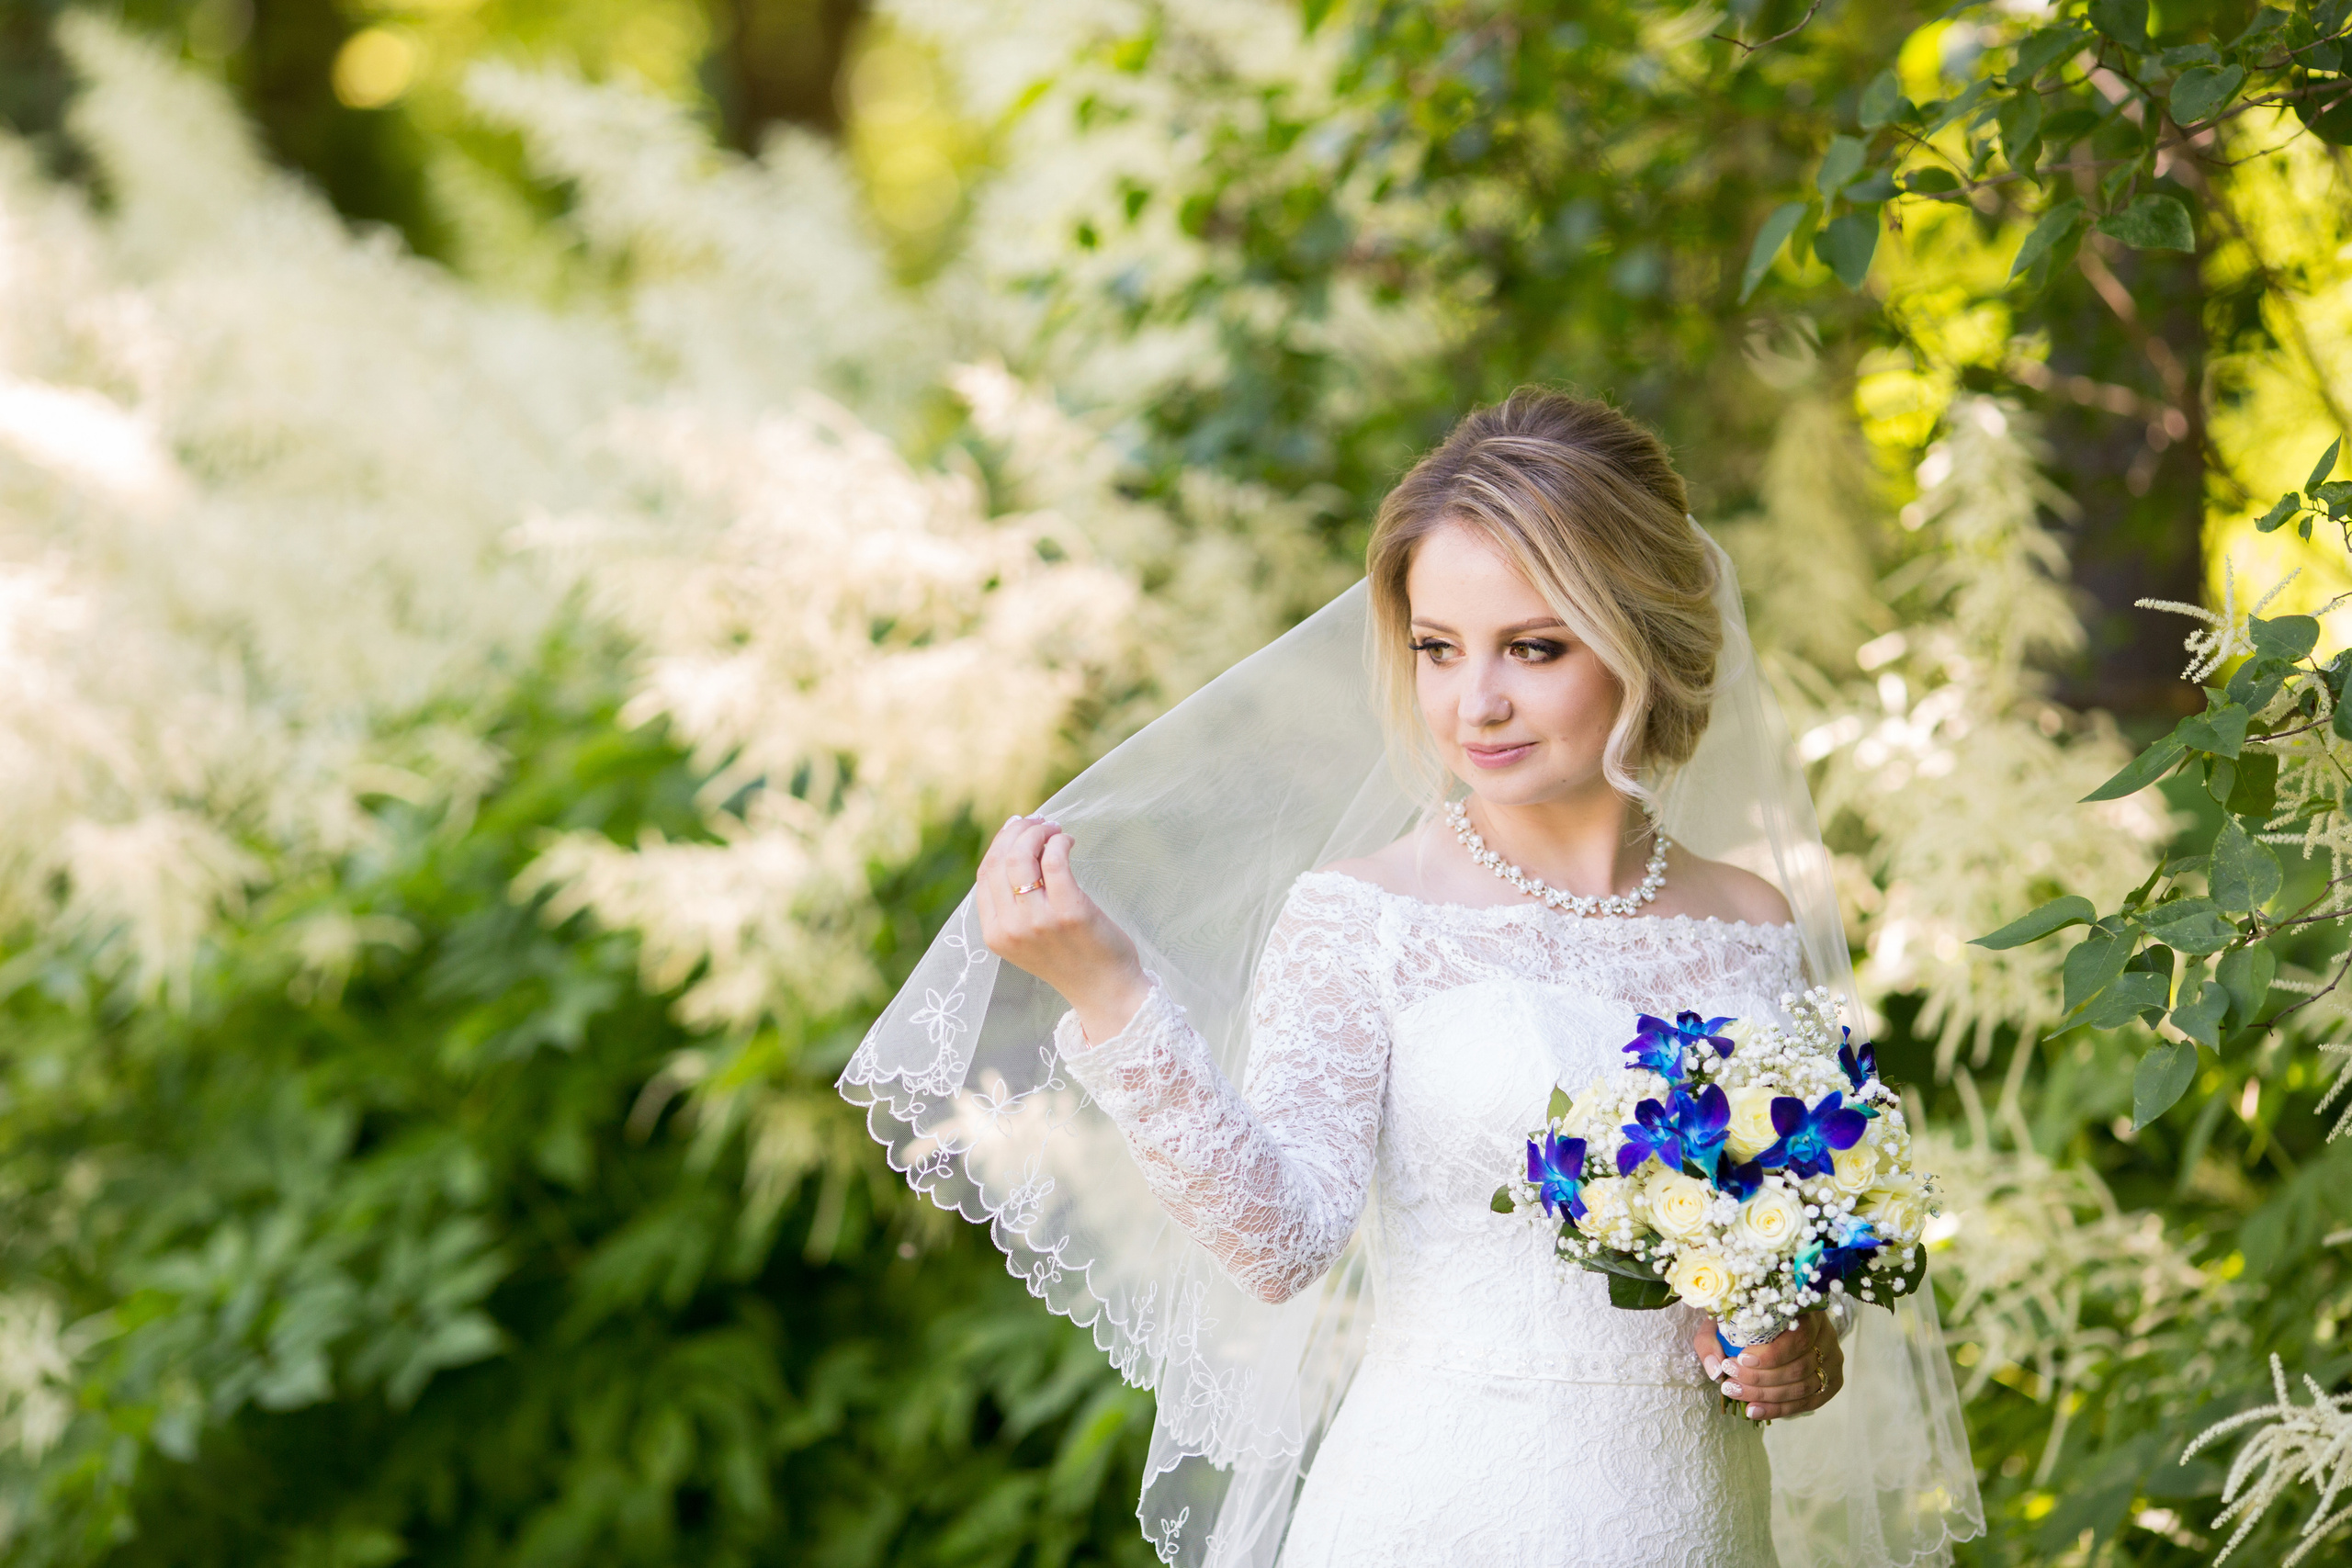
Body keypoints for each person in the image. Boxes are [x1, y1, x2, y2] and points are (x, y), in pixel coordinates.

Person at [842, 388, 1980, 1567]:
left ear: (1643, 637)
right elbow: (1279, 1243)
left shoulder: (1750, 921)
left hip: (1693, 1520)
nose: (1472, 702)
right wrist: (1110, 997)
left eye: (1533, 647)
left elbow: (1794, 1238)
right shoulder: (1364, 917)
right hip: (1438, 1505)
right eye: (1437, 649)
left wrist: (1799, 1339)